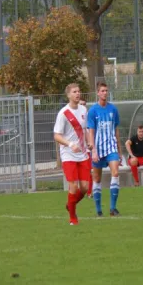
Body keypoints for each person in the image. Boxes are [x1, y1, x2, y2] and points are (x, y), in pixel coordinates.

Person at [53, 84, 93, 225]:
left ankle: (70, 205)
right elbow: (57, 136)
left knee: (84, 187)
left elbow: (85, 130)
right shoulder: (63, 113)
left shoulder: (83, 110)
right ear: (68, 95)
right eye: (74, 92)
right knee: (74, 186)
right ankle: (73, 217)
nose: (77, 93)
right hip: (68, 155)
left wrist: (89, 143)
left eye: (78, 91)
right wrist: (70, 144)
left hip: (82, 154)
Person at [87, 81, 122, 217]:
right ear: (97, 93)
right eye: (102, 91)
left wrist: (119, 151)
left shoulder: (113, 109)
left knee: (115, 173)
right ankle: (98, 210)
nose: (105, 93)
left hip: (111, 147)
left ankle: (113, 208)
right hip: (98, 149)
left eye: (106, 91)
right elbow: (91, 131)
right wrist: (93, 150)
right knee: (97, 179)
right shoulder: (93, 111)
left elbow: (116, 130)